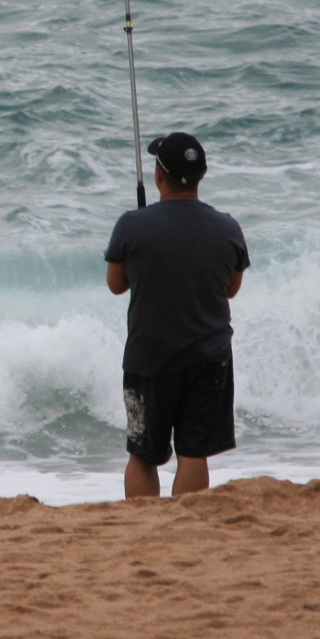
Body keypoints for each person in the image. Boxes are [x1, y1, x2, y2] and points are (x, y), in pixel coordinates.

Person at [103, 131, 249, 498]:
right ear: (201, 176)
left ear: (158, 176)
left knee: (143, 453)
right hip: (209, 356)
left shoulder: (132, 225)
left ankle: (142, 528)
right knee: (194, 452)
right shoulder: (228, 227)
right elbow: (230, 289)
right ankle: (187, 528)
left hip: (149, 357)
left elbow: (116, 284)